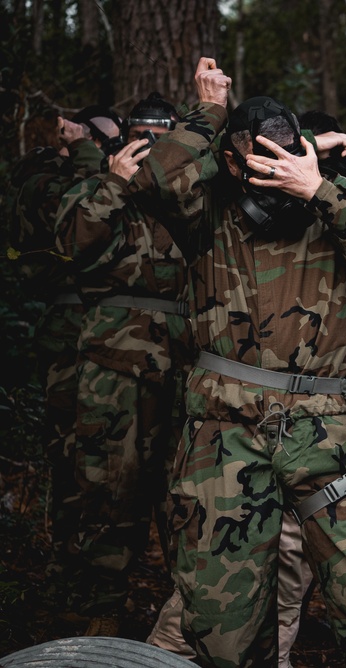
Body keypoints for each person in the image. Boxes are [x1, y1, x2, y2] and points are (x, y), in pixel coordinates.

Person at [154, 77, 346, 666]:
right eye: (258, 160)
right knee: (222, 625)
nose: (271, 172)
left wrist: (320, 188)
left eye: (284, 154)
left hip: (323, 433)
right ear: (232, 162)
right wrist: (208, 111)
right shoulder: (206, 210)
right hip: (221, 434)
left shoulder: (336, 201)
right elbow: (156, 178)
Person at [51, 88, 205, 635]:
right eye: (144, 139)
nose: (153, 151)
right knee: (107, 486)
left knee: (184, 488)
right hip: (111, 360)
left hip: (186, 360)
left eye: (163, 141)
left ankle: (186, 613)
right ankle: (99, 609)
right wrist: (113, 179)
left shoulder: (191, 193)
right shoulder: (100, 187)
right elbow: (72, 242)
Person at [4, 109, 110, 605]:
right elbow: (79, 220)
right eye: (100, 140)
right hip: (69, 330)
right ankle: (70, 571)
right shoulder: (45, 180)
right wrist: (88, 155)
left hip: (105, 329)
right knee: (71, 455)